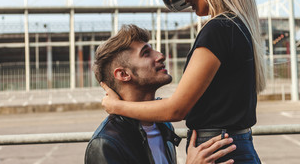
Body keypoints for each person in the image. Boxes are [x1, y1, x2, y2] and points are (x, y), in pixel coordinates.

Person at [100, 0, 266, 163]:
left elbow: (176, 110)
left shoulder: (218, 29)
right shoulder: (238, 27)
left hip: (216, 150)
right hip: (235, 146)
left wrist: (116, 106)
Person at [85, 24, 237, 164]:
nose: (160, 55)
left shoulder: (163, 125)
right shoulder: (105, 143)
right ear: (123, 74)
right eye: (146, 53)